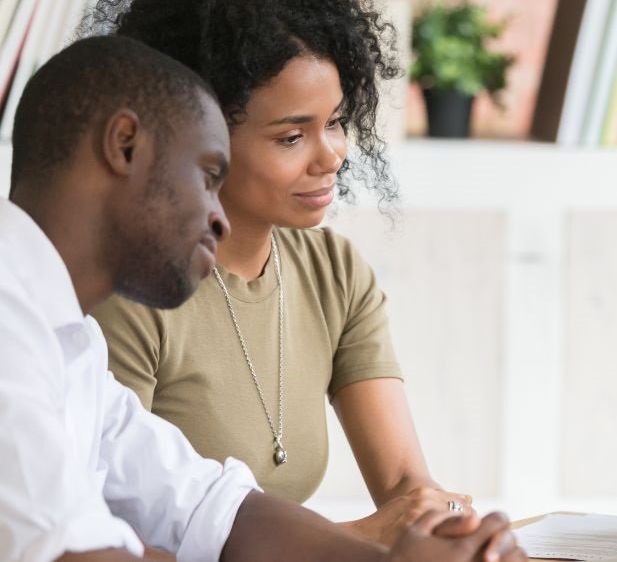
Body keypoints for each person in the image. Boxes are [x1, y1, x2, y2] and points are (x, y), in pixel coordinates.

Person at [0, 35, 524, 562]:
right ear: (125, 145)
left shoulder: (73, 343)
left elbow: (215, 509)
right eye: (208, 177)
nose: (219, 217)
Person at [85, 0, 466, 544]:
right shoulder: (130, 295)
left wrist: (448, 527)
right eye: (292, 135)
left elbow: (405, 487)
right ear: (197, 135)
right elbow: (97, 545)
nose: (332, 154)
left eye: (336, 122)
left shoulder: (334, 272)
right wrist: (355, 539)